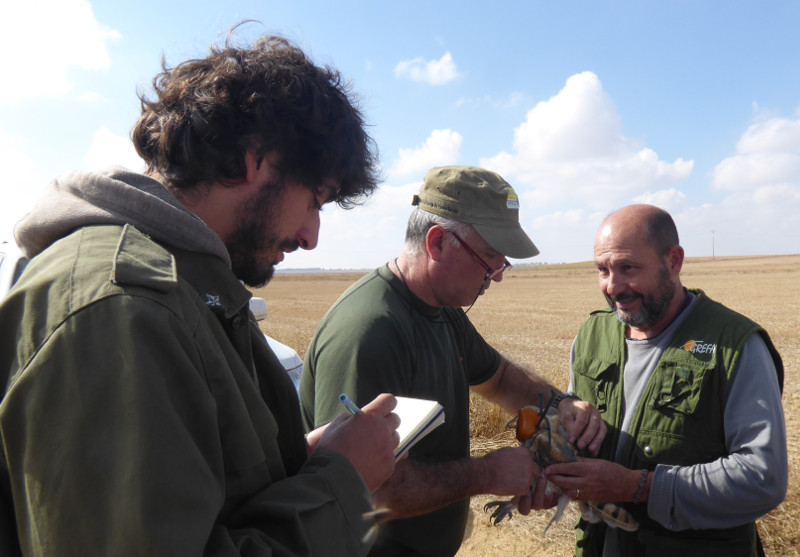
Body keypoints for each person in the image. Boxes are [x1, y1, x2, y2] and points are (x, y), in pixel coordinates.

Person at [0, 33, 403, 556]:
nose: (311, 235)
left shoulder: (184, 288)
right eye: (316, 198)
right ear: (254, 159)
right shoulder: (120, 308)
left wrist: (305, 459)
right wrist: (341, 480)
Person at [300, 165, 607, 556]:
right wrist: (487, 474)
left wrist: (561, 406)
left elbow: (499, 378)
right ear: (438, 242)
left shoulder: (443, 311)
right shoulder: (370, 333)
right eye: (490, 255)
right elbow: (363, 488)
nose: (497, 274)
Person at [546, 204, 787, 557]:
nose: (613, 286)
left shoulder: (734, 346)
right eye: (602, 270)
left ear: (673, 261)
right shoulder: (591, 334)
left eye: (628, 267)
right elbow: (570, 426)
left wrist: (638, 486)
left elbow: (762, 479)